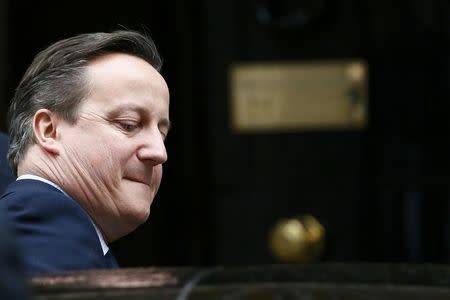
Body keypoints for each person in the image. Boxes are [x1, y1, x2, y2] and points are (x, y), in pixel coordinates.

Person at [0, 30, 170, 275]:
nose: (159, 152)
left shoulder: (65, 233)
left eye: (162, 134)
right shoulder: (39, 225)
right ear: (49, 130)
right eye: (129, 124)